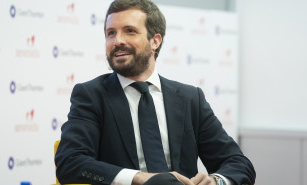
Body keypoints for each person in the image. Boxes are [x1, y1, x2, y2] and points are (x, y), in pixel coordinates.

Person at [55, 0, 256, 185]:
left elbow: (238, 163)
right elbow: (70, 162)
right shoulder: (91, 95)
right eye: (111, 33)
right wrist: (139, 178)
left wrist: (216, 181)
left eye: (130, 31)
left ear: (155, 41)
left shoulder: (189, 98)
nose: (117, 41)